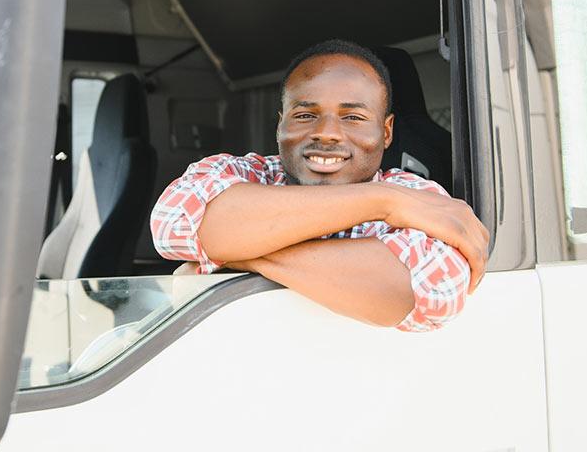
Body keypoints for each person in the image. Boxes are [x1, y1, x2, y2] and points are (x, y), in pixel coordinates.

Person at [150, 40, 489, 332]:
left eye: (353, 117)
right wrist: (383, 202)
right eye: (305, 114)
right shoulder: (241, 172)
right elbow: (171, 227)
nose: (326, 132)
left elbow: (420, 292)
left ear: (386, 132)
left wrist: (234, 253)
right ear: (281, 122)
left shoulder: (420, 196)